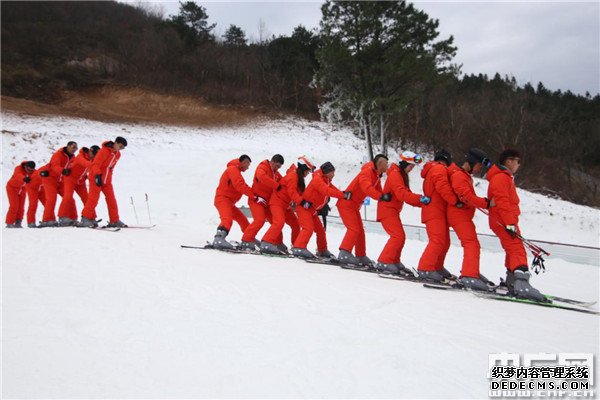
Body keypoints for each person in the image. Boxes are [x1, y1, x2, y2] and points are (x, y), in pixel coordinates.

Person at [487, 149, 545, 301]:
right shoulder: (501, 177)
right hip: (504, 221)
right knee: (517, 249)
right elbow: (503, 203)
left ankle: (512, 282)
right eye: (517, 161)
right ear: (509, 161)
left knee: (512, 249)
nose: (518, 165)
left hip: (505, 221)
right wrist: (510, 224)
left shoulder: (504, 177)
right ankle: (521, 285)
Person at [376, 151, 430, 276]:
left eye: (413, 167)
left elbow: (407, 194)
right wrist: (420, 199)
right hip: (387, 210)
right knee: (397, 236)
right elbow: (402, 194)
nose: (411, 169)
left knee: (400, 236)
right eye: (411, 166)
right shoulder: (395, 175)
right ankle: (384, 261)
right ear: (405, 164)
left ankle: (394, 260)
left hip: (392, 211)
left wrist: (421, 202)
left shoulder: (400, 175)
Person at [447, 148, 494, 291]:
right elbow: (466, 196)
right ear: (472, 162)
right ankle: (469, 275)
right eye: (479, 165)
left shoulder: (464, 176)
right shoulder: (459, 176)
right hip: (458, 215)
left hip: (463, 215)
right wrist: (486, 203)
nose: (479, 169)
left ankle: (471, 271)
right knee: (471, 244)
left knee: (472, 243)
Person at [417, 149, 462, 282]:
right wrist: (455, 200)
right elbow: (442, 187)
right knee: (437, 241)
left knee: (444, 242)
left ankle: (436, 266)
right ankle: (425, 268)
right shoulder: (438, 169)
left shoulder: (435, 169)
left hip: (438, 211)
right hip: (434, 211)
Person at [336, 154, 389, 266]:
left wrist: (386, 196)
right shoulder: (367, 172)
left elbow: (379, 191)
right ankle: (344, 253)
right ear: (380, 164)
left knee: (360, 231)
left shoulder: (376, 176)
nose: (387, 166)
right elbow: (367, 188)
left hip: (354, 206)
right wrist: (381, 197)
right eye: (386, 164)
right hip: (346, 204)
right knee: (354, 229)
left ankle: (360, 255)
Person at [291, 161, 346, 259]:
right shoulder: (318, 179)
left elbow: (332, 188)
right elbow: (326, 190)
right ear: (327, 172)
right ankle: (298, 247)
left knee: (320, 231)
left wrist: (343, 194)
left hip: (312, 210)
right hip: (304, 208)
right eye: (332, 172)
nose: (334, 174)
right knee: (308, 228)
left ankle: (322, 250)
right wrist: (342, 195)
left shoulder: (326, 180)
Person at [260, 157, 313, 254]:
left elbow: (299, 194)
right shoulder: (293, 176)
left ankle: (297, 246)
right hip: (277, 203)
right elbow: (292, 193)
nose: (307, 174)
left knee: (295, 224)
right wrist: (302, 202)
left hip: (286, 206)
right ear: (303, 169)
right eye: (307, 171)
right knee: (279, 223)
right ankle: (266, 243)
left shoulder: (298, 177)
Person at [80, 137, 128, 228]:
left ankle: (114, 220)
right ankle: (85, 218)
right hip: (96, 178)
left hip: (107, 181)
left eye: (123, 148)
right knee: (93, 199)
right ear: (116, 143)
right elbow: (95, 164)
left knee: (111, 200)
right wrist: (97, 176)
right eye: (120, 146)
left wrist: (109, 177)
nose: (121, 149)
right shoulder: (104, 151)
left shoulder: (118, 155)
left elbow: (110, 167)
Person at [240, 154, 285, 251]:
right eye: (277, 166)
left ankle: (277, 242)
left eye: (279, 167)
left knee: (276, 222)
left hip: (266, 203)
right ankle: (246, 240)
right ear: (272, 162)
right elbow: (262, 177)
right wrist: (276, 186)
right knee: (259, 220)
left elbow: (283, 181)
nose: (277, 169)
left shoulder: (275, 173)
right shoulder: (262, 167)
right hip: (256, 200)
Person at [211, 154, 255, 249]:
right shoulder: (233, 169)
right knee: (227, 219)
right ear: (244, 162)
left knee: (243, 220)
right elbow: (240, 186)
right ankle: (219, 239)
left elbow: (242, 185)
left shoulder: (236, 171)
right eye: (248, 165)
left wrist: (253, 193)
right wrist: (254, 195)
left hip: (229, 202)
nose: (248, 168)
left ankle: (249, 239)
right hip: (223, 200)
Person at [57, 145, 99, 226]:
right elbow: (87, 164)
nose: (94, 156)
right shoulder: (80, 156)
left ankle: (90, 217)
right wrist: (97, 164)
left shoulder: (92, 159)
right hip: (70, 179)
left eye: (96, 155)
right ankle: (62, 217)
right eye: (93, 154)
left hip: (80, 181)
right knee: (68, 197)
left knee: (87, 199)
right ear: (90, 151)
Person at [40, 141, 78, 227]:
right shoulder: (58, 154)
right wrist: (63, 171)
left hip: (61, 181)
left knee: (69, 198)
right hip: (50, 179)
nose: (74, 149)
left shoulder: (73, 157)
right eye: (73, 147)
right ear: (68, 146)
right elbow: (54, 166)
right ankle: (47, 220)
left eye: (76, 148)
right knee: (51, 199)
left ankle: (72, 218)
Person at [5, 161, 36, 228]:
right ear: (25, 166)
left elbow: (37, 176)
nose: (29, 171)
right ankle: (9, 223)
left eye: (31, 170)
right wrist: (24, 178)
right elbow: (18, 175)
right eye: (28, 169)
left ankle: (18, 222)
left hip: (23, 189)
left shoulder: (33, 172)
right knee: (14, 205)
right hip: (12, 188)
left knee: (21, 207)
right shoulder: (18, 168)